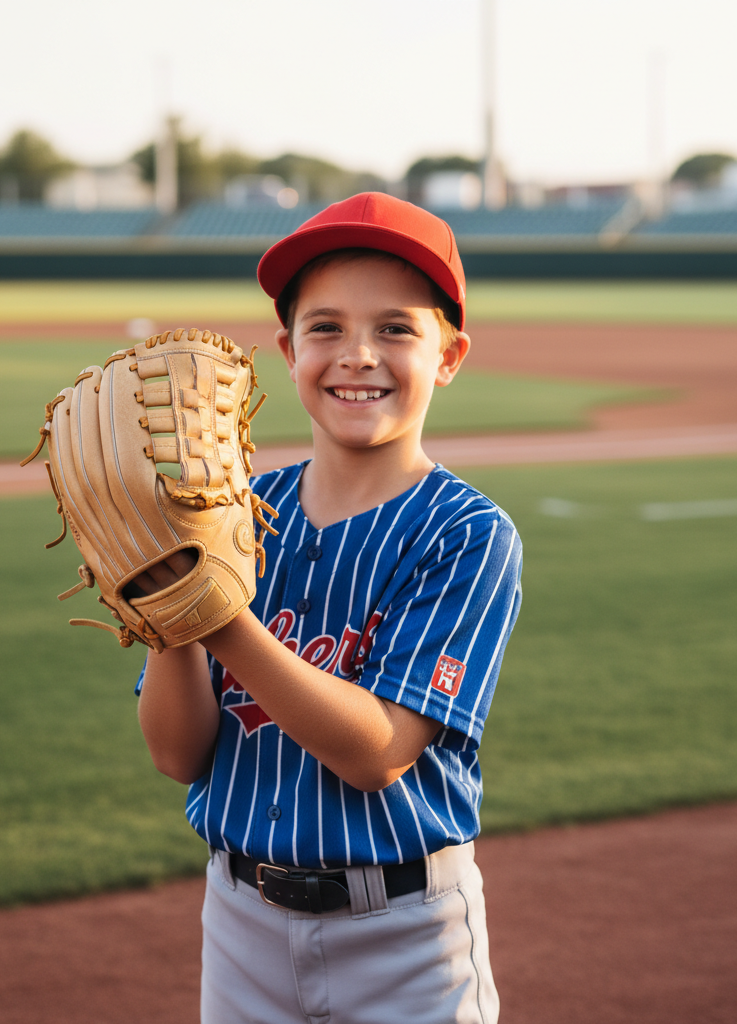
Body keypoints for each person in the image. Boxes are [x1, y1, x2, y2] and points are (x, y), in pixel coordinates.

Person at [137, 192, 523, 1024]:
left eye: (395, 329)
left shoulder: (466, 533)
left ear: (449, 355)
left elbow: (377, 752)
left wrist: (215, 612)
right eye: (325, 328)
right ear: (286, 348)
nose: (357, 355)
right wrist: (166, 613)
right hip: (240, 920)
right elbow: (176, 753)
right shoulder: (229, 516)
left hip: (407, 938)